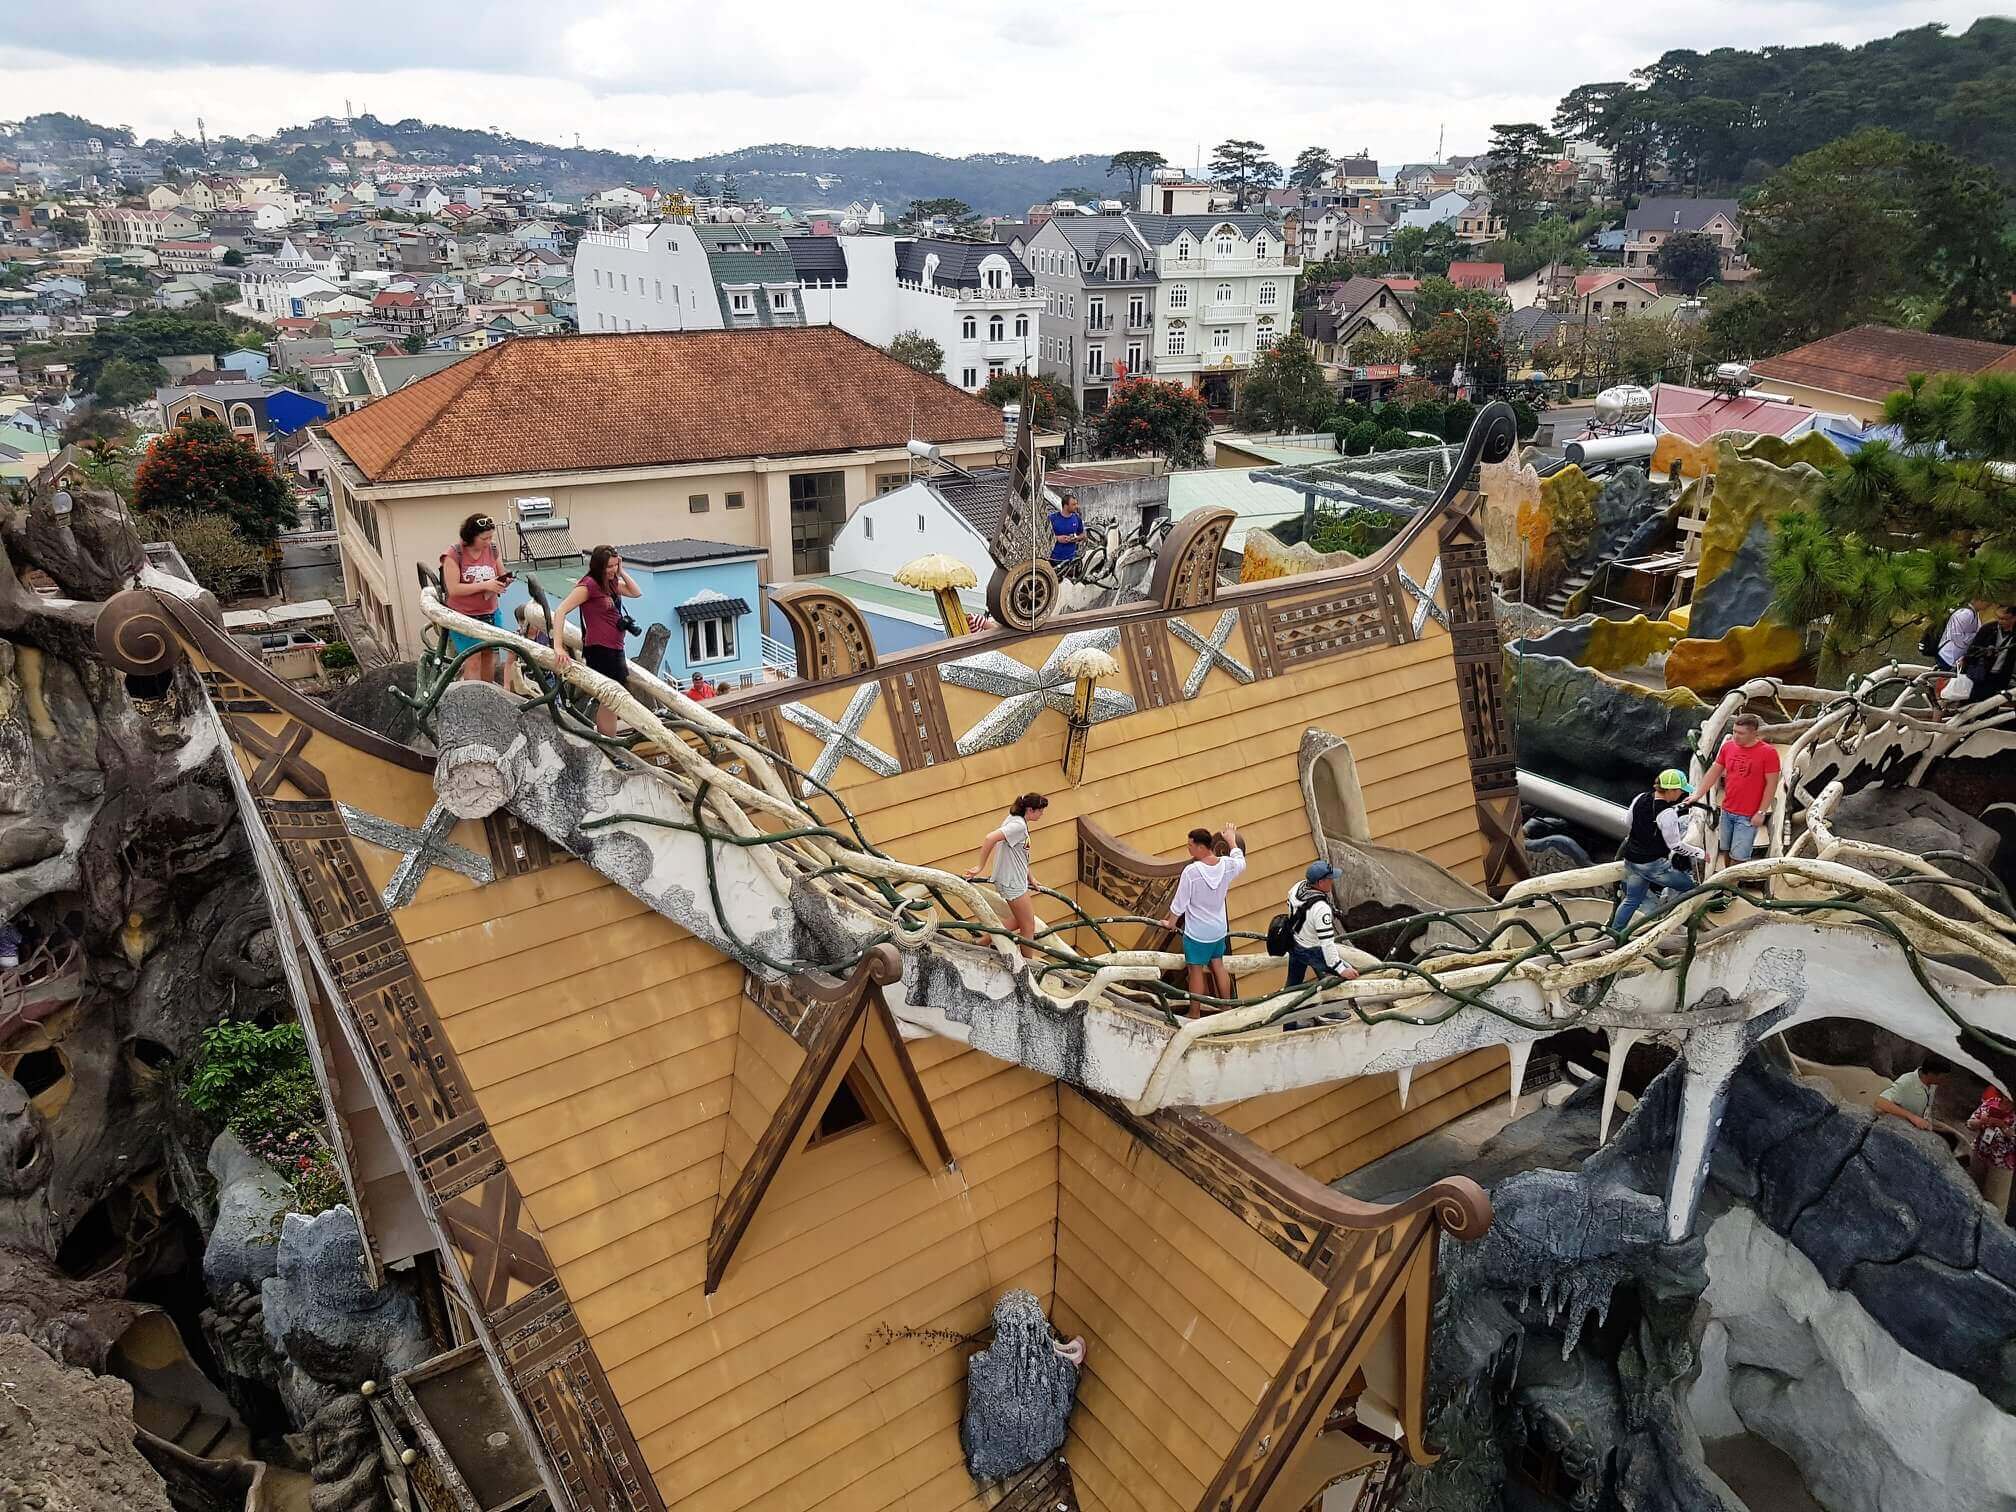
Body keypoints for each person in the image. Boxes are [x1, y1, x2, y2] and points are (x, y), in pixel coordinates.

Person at [551, 545, 642, 737]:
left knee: (611, 698)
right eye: (609, 566)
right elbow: (560, 611)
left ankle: (608, 738)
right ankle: (609, 740)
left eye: (615, 565)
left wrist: (622, 571)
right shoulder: (589, 585)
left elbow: (635, 592)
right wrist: (558, 647)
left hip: (615, 647)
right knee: (610, 697)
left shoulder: (611, 583)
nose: (613, 570)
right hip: (600, 649)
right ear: (599, 565)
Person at [1162, 820, 1246, 1018]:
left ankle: (1194, 1012)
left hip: (1197, 933)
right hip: (1218, 929)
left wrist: (1170, 923)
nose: (1188, 848)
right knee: (1218, 965)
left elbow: (1180, 903)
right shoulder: (1226, 865)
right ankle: (1226, 1008)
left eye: (1190, 845)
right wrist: (1231, 840)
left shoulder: (1192, 872)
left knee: (1196, 971)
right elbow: (1241, 862)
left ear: (1200, 847)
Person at [1611, 769, 1705, 932]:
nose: (1682, 794)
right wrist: (1700, 853)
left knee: (1631, 900)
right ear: (1671, 791)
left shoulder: (1640, 798)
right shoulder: (1667, 814)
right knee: (1691, 887)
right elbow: (1676, 846)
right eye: (1681, 790)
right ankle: (1670, 924)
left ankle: (1614, 935)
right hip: (1653, 866)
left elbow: (1628, 821)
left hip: (1631, 860)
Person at [967, 794, 1049, 959]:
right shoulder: (1018, 826)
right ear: (1030, 810)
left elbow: (1020, 855)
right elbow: (990, 838)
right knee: (1029, 927)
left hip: (1015, 879)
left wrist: (1030, 877)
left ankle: (982, 942)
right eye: (1040, 810)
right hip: (1013, 883)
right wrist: (980, 866)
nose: (1042, 814)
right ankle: (1028, 963)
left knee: (1020, 920)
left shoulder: (1015, 820)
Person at [1696, 712, 1780, 864]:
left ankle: (1730, 887)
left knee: (1739, 858)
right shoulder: (1728, 747)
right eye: (1734, 731)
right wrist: (1697, 795)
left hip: (1748, 815)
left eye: (1741, 733)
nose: (1735, 735)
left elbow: (1771, 784)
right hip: (1727, 810)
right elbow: (1714, 772)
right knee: (1726, 850)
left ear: (1754, 733)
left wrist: (1761, 812)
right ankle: (1726, 883)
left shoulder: (1769, 753)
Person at [441, 514, 512, 684]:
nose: (488, 542)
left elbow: (500, 572)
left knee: (490, 655)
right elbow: (454, 589)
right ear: (472, 536)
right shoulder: (454, 554)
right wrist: (485, 585)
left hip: (490, 612)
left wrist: (504, 581)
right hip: (464, 615)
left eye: (490, 538)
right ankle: (472, 696)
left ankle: (487, 691)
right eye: (484, 538)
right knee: (472, 659)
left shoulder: (492, 549)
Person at [1283, 860, 1360, 988]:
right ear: (1320, 882)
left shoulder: (1297, 887)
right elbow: (1327, 943)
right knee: (1351, 973)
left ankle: (1285, 1004)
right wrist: (1341, 969)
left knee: (1292, 984)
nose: (1332, 881)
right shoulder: (1321, 909)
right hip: (1309, 949)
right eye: (1329, 879)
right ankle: (1353, 1005)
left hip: (1293, 942)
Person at [1875, 1055, 1954, 1133]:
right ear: (1931, 1074)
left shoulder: (1932, 1085)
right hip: (1899, 1129)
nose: (1944, 1080)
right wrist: (1913, 1117)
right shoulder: (1907, 1081)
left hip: (1921, 1125)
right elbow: (1881, 1102)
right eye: (1942, 1077)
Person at [1960, 604, 2016, 703]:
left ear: (2014, 618)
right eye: (1998, 618)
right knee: (1968, 703)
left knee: (1990, 705)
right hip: (1979, 674)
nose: (2000, 621)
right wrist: (1985, 652)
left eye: (2004, 619)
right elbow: (1971, 651)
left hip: (1999, 677)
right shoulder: (1988, 629)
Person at [1935, 598, 1992, 672]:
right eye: (1986, 601)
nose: (1988, 605)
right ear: (1977, 600)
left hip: (1955, 656)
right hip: (1949, 656)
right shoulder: (1966, 614)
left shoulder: (1974, 613)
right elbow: (1957, 637)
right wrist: (1977, 635)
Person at [1048, 493, 1085, 567]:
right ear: (1065, 506)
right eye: (1073, 505)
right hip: (1053, 560)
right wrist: (1057, 538)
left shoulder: (1077, 518)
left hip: (1070, 560)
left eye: (1076, 504)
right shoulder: (1052, 518)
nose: (1076, 506)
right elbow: (1042, 536)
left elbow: (1083, 535)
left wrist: (1076, 538)